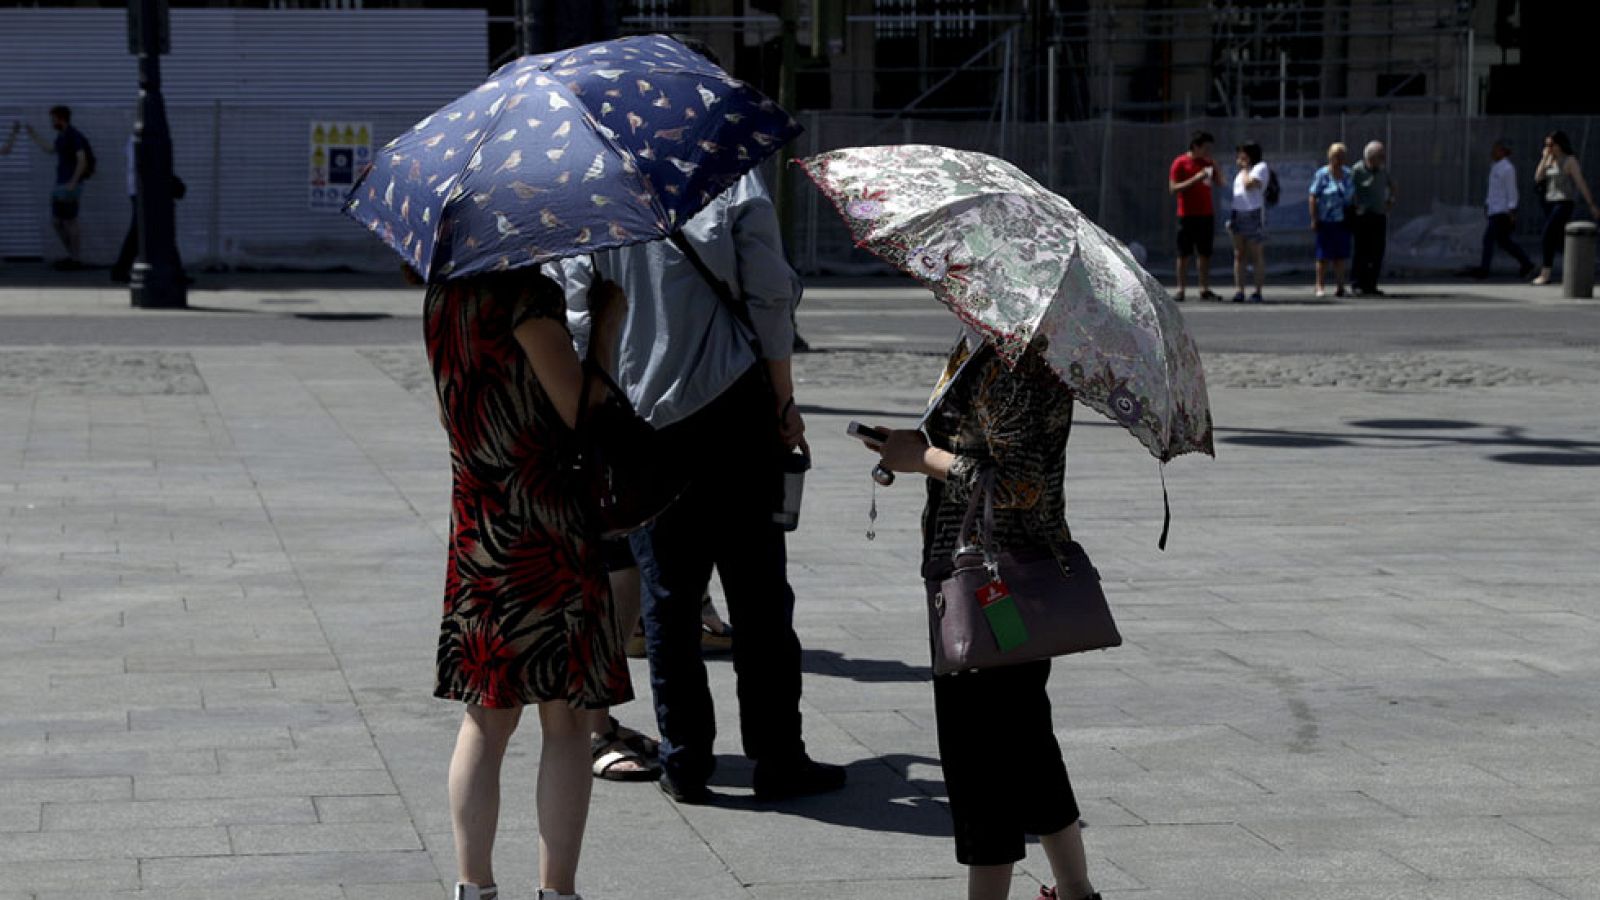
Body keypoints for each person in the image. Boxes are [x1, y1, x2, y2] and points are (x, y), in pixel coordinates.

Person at [549, 166, 843, 804]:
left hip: (641, 418)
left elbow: (576, 314)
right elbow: (769, 294)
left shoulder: (593, 189)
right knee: (760, 598)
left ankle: (686, 762)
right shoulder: (732, 178)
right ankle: (777, 757)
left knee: (668, 601)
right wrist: (784, 399)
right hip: (735, 409)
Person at [855, 336, 1100, 900]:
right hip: (995, 580)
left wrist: (923, 458)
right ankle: (1076, 891)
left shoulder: (1010, 362)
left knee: (981, 761)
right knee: (1027, 742)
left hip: (990, 586)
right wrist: (917, 447)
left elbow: (1019, 484)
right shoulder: (1000, 348)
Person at [425, 266, 633, 900]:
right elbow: (578, 407)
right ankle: (556, 892)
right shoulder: (527, 296)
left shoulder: (443, 295)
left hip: (478, 526)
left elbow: (459, 410)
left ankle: (474, 887)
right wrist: (606, 329)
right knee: (566, 724)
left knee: (485, 722)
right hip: (545, 530)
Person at [16, 107, 92, 270]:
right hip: (61, 185)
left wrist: (73, 181)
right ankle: (72, 255)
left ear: (61, 118)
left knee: (70, 221)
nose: (51, 122)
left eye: (53, 119)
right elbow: (50, 149)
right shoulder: (62, 136)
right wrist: (33, 134)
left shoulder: (73, 135)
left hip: (70, 185)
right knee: (57, 221)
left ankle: (75, 259)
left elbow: (82, 160)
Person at [1531, 130, 1599, 285]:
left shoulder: (1569, 161)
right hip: (1549, 201)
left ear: (1559, 145)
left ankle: (1545, 273)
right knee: (1561, 240)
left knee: (1547, 234)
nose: (1549, 147)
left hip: (1564, 202)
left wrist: (1591, 204)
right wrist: (1544, 158)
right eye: (1546, 144)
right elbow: (1538, 177)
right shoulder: (1550, 160)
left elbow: (1580, 182)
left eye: (1551, 144)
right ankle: (1585, 263)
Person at [1168, 130, 1219, 302]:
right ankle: (1181, 288)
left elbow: (1221, 183)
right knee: (1184, 253)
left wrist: (1216, 170)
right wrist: (1195, 179)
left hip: (1206, 214)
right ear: (1195, 147)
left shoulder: (1208, 163)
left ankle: (1203, 288)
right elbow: (1173, 188)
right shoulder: (1180, 162)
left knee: (1204, 252)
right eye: (1205, 148)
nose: (1207, 152)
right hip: (1187, 214)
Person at [1474, 139, 1535, 280]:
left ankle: (1484, 269)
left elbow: (1511, 190)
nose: (1492, 153)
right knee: (1504, 242)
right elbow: (1493, 190)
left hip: (1502, 211)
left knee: (1489, 240)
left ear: (1502, 151)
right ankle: (1526, 263)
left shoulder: (1508, 168)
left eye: (1495, 150)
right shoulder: (1495, 167)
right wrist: (1487, 204)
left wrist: (1512, 210)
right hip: (1494, 209)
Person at [1350, 141, 1396, 296]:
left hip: (1379, 215)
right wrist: (1354, 206)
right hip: (1363, 216)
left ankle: (1371, 284)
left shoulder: (1383, 171)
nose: (1383, 159)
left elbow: (1393, 187)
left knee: (1377, 251)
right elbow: (1349, 189)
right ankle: (1357, 283)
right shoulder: (1357, 170)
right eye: (1380, 156)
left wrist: (1390, 201)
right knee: (1361, 251)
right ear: (1370, 157)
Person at [1308, 142, 1354, 298]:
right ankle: (1319, 285)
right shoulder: (1322, 174)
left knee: (1340, 256)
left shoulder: (1348, 174)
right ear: (1330, 157)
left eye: (1342, 156)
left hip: (1343, 220)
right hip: (1326, 220)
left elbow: (1352, 195)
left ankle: (1340, 286)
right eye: (1336, 156)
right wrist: (1314, 218)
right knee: (1323, 256)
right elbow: (1313, 196)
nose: (1339, 159)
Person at [1227, 141, 1270, 303]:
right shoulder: (1241, 173)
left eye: (1242, 153)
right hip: (1238, 213)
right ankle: (1239, 290)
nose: (1239, 157)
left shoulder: (1260, 168)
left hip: (1253, 213)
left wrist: (1245, 168)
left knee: (1255, 253)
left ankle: (1257, 291)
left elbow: (1249, 185)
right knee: (1239, 254)